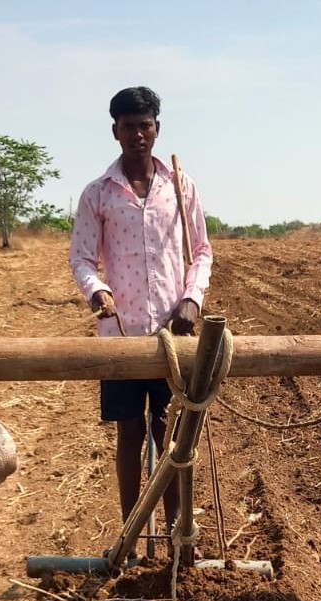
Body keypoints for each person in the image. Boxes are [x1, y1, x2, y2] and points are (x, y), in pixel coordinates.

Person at [69, 85, 214, 534]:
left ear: (157, 129)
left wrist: (191, 299)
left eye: (144, 126)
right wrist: (96, 289)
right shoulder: (98, 194)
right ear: (115, 131)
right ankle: (130, 531)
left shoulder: (180, 185)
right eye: (128, 127)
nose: (137, 135)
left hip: (175, 337)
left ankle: (175, 533)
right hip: (121, 337)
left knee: (170, 439)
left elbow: (202, 252)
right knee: (130, 434)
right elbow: (81, 258)